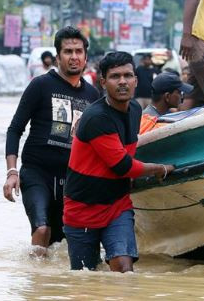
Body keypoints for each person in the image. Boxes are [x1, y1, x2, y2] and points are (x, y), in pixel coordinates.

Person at [63, 51, 174, 272]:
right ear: (103, 82)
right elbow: (123, 166)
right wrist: (160, 168)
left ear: (136, 80)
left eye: (127, 75)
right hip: (82, 209)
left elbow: (130, 152)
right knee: (85, 279)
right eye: (115, 76)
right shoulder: (97, 118)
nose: (122, 82)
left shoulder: (135, 110)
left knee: (124, 272)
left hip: (117, 205)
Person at [3, 26, 101, 256]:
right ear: (58, 57)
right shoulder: (40, 85)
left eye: (78, 51)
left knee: (63, 243)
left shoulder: (92, 96)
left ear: (86, 57)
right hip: (37, 173)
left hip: (72, 179)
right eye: (68, 51)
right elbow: (15, 129)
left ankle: (54, 288)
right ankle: (35, 282)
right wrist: (11, 172)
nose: (74, 56)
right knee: (42, 227)